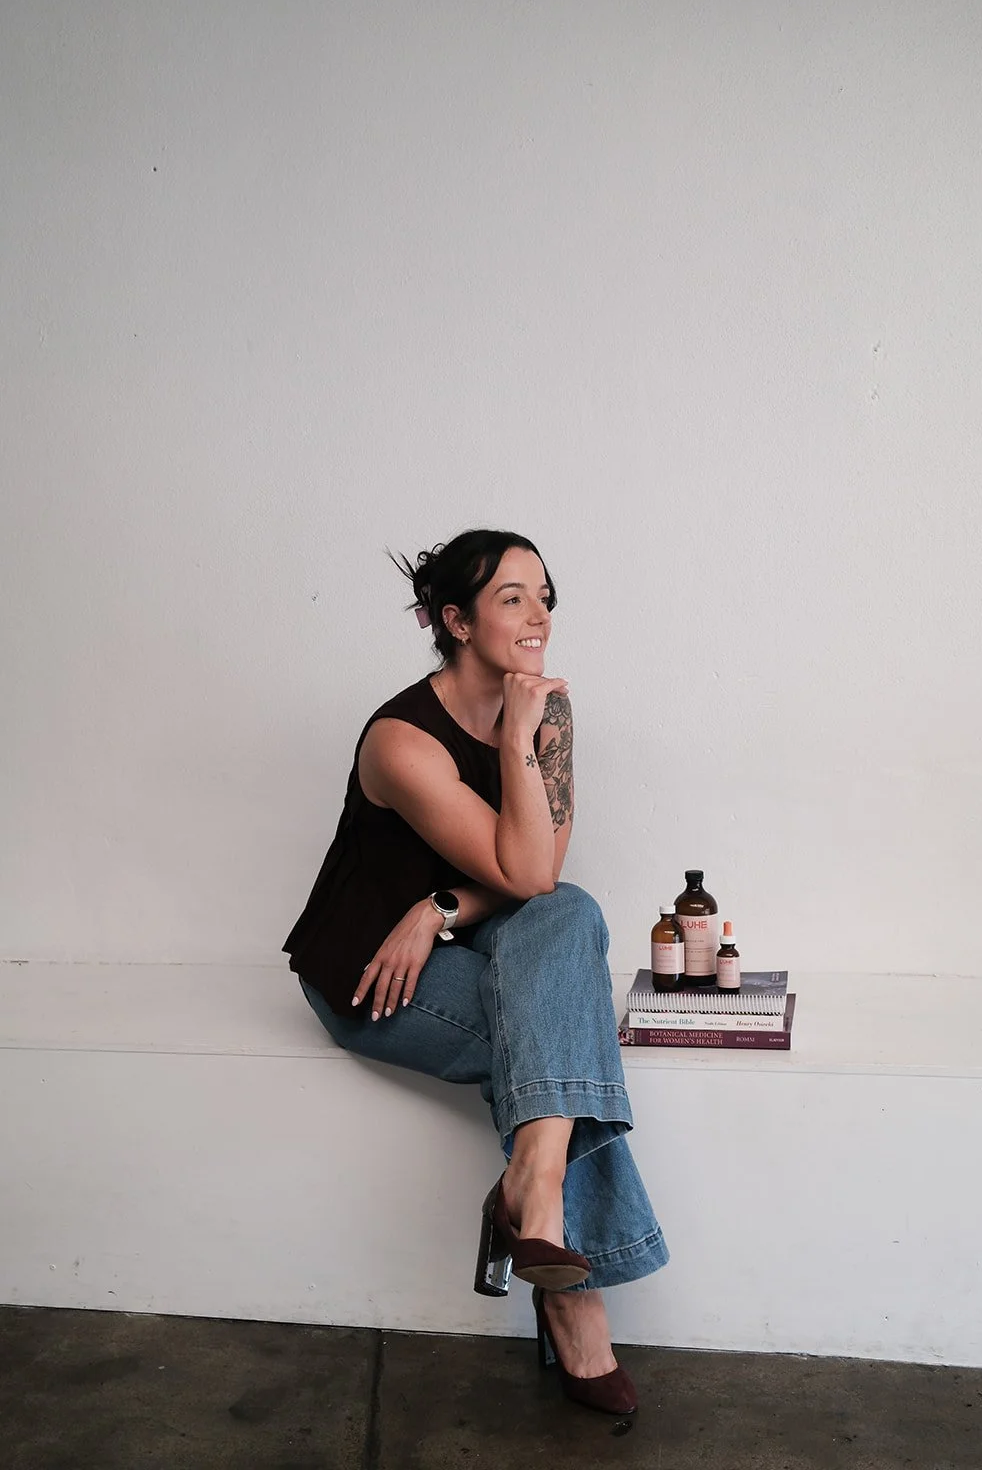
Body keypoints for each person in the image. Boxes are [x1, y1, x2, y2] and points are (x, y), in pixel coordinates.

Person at [283, 529, 668, 1414]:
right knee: (556, 1052)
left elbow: (536, 881)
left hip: (459, 935)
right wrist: (426, 910)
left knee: (571, 914)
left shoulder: (545, 711)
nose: (539, 616)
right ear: (454, 621)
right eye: (511, 598)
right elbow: (524, 870)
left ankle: (531, 1200)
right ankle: (574, 1306)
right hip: (371, 974)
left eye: (545, 596)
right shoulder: (399, 741)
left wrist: (442, 908)